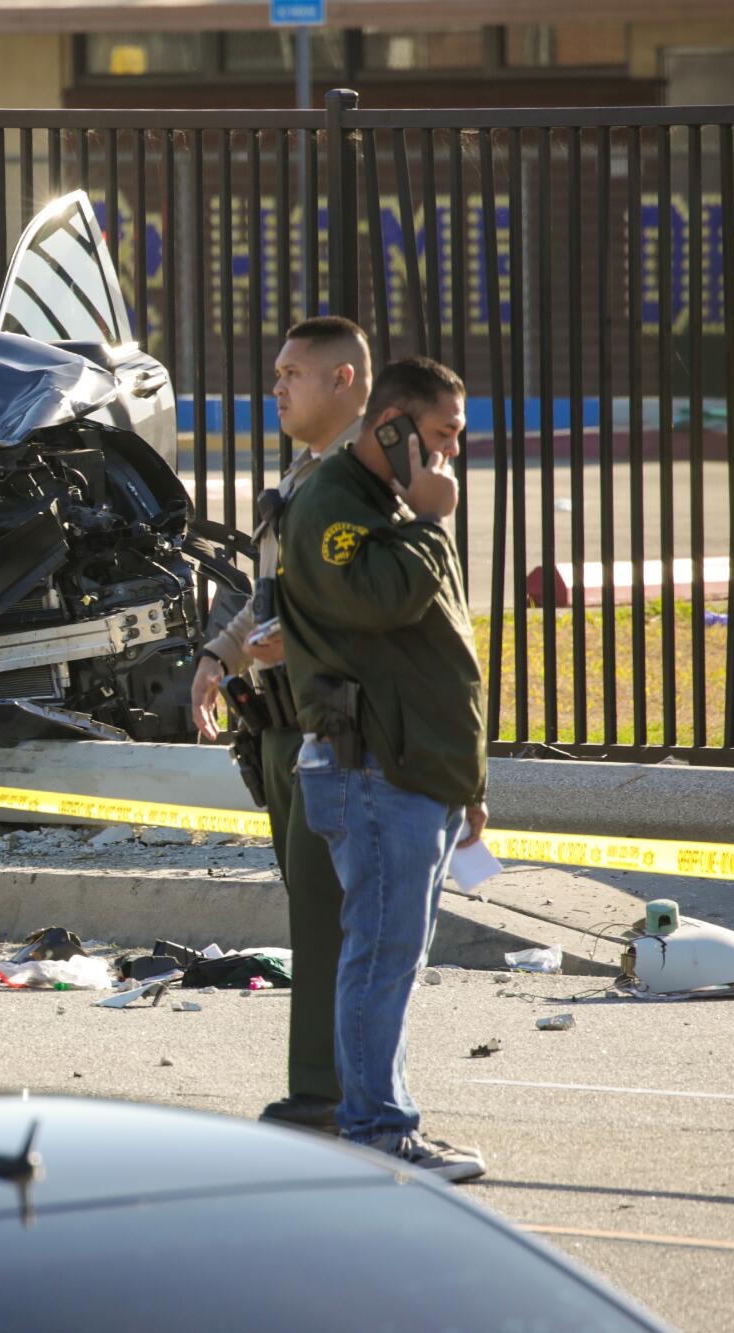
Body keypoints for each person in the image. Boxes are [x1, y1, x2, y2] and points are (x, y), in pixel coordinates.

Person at [276, 355, 488, 1182]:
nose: (450, 456)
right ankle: (374, 1131)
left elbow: (440, 653)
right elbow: (382, 601)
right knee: (379, 956)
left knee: (394, 957)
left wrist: (468, 783)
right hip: (370, 771)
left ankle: (387, 1120)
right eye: (441, 436)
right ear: (391, 425)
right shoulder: (334, 504)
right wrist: (431, 520)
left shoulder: (389, 506)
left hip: (415, 769)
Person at [189, 316, 369, 1133]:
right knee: (311, 917)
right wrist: (219, 656)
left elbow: (369, 603)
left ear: (345, 380)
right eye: (275, 373)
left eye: (293, 373)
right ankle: (319, 1087)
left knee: (336, 923)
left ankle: (330, 1093)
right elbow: (270, 595)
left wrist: (289, 642)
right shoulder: (302, 475)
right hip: (282, 729)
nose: (277, 388)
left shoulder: (368, 478)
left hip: (338, 730)